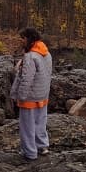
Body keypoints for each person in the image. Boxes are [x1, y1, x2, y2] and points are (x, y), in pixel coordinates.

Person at [10, 26, 52, 160]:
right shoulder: (46, 53)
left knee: (27, 127)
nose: (20, 41)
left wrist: (20, 97)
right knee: (40, 122)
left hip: (30, 98)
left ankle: (30, 153)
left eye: (22, 38)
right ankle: (42, 147)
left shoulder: (30, 57)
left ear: (28, 39)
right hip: (43, 95)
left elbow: (26, 79)